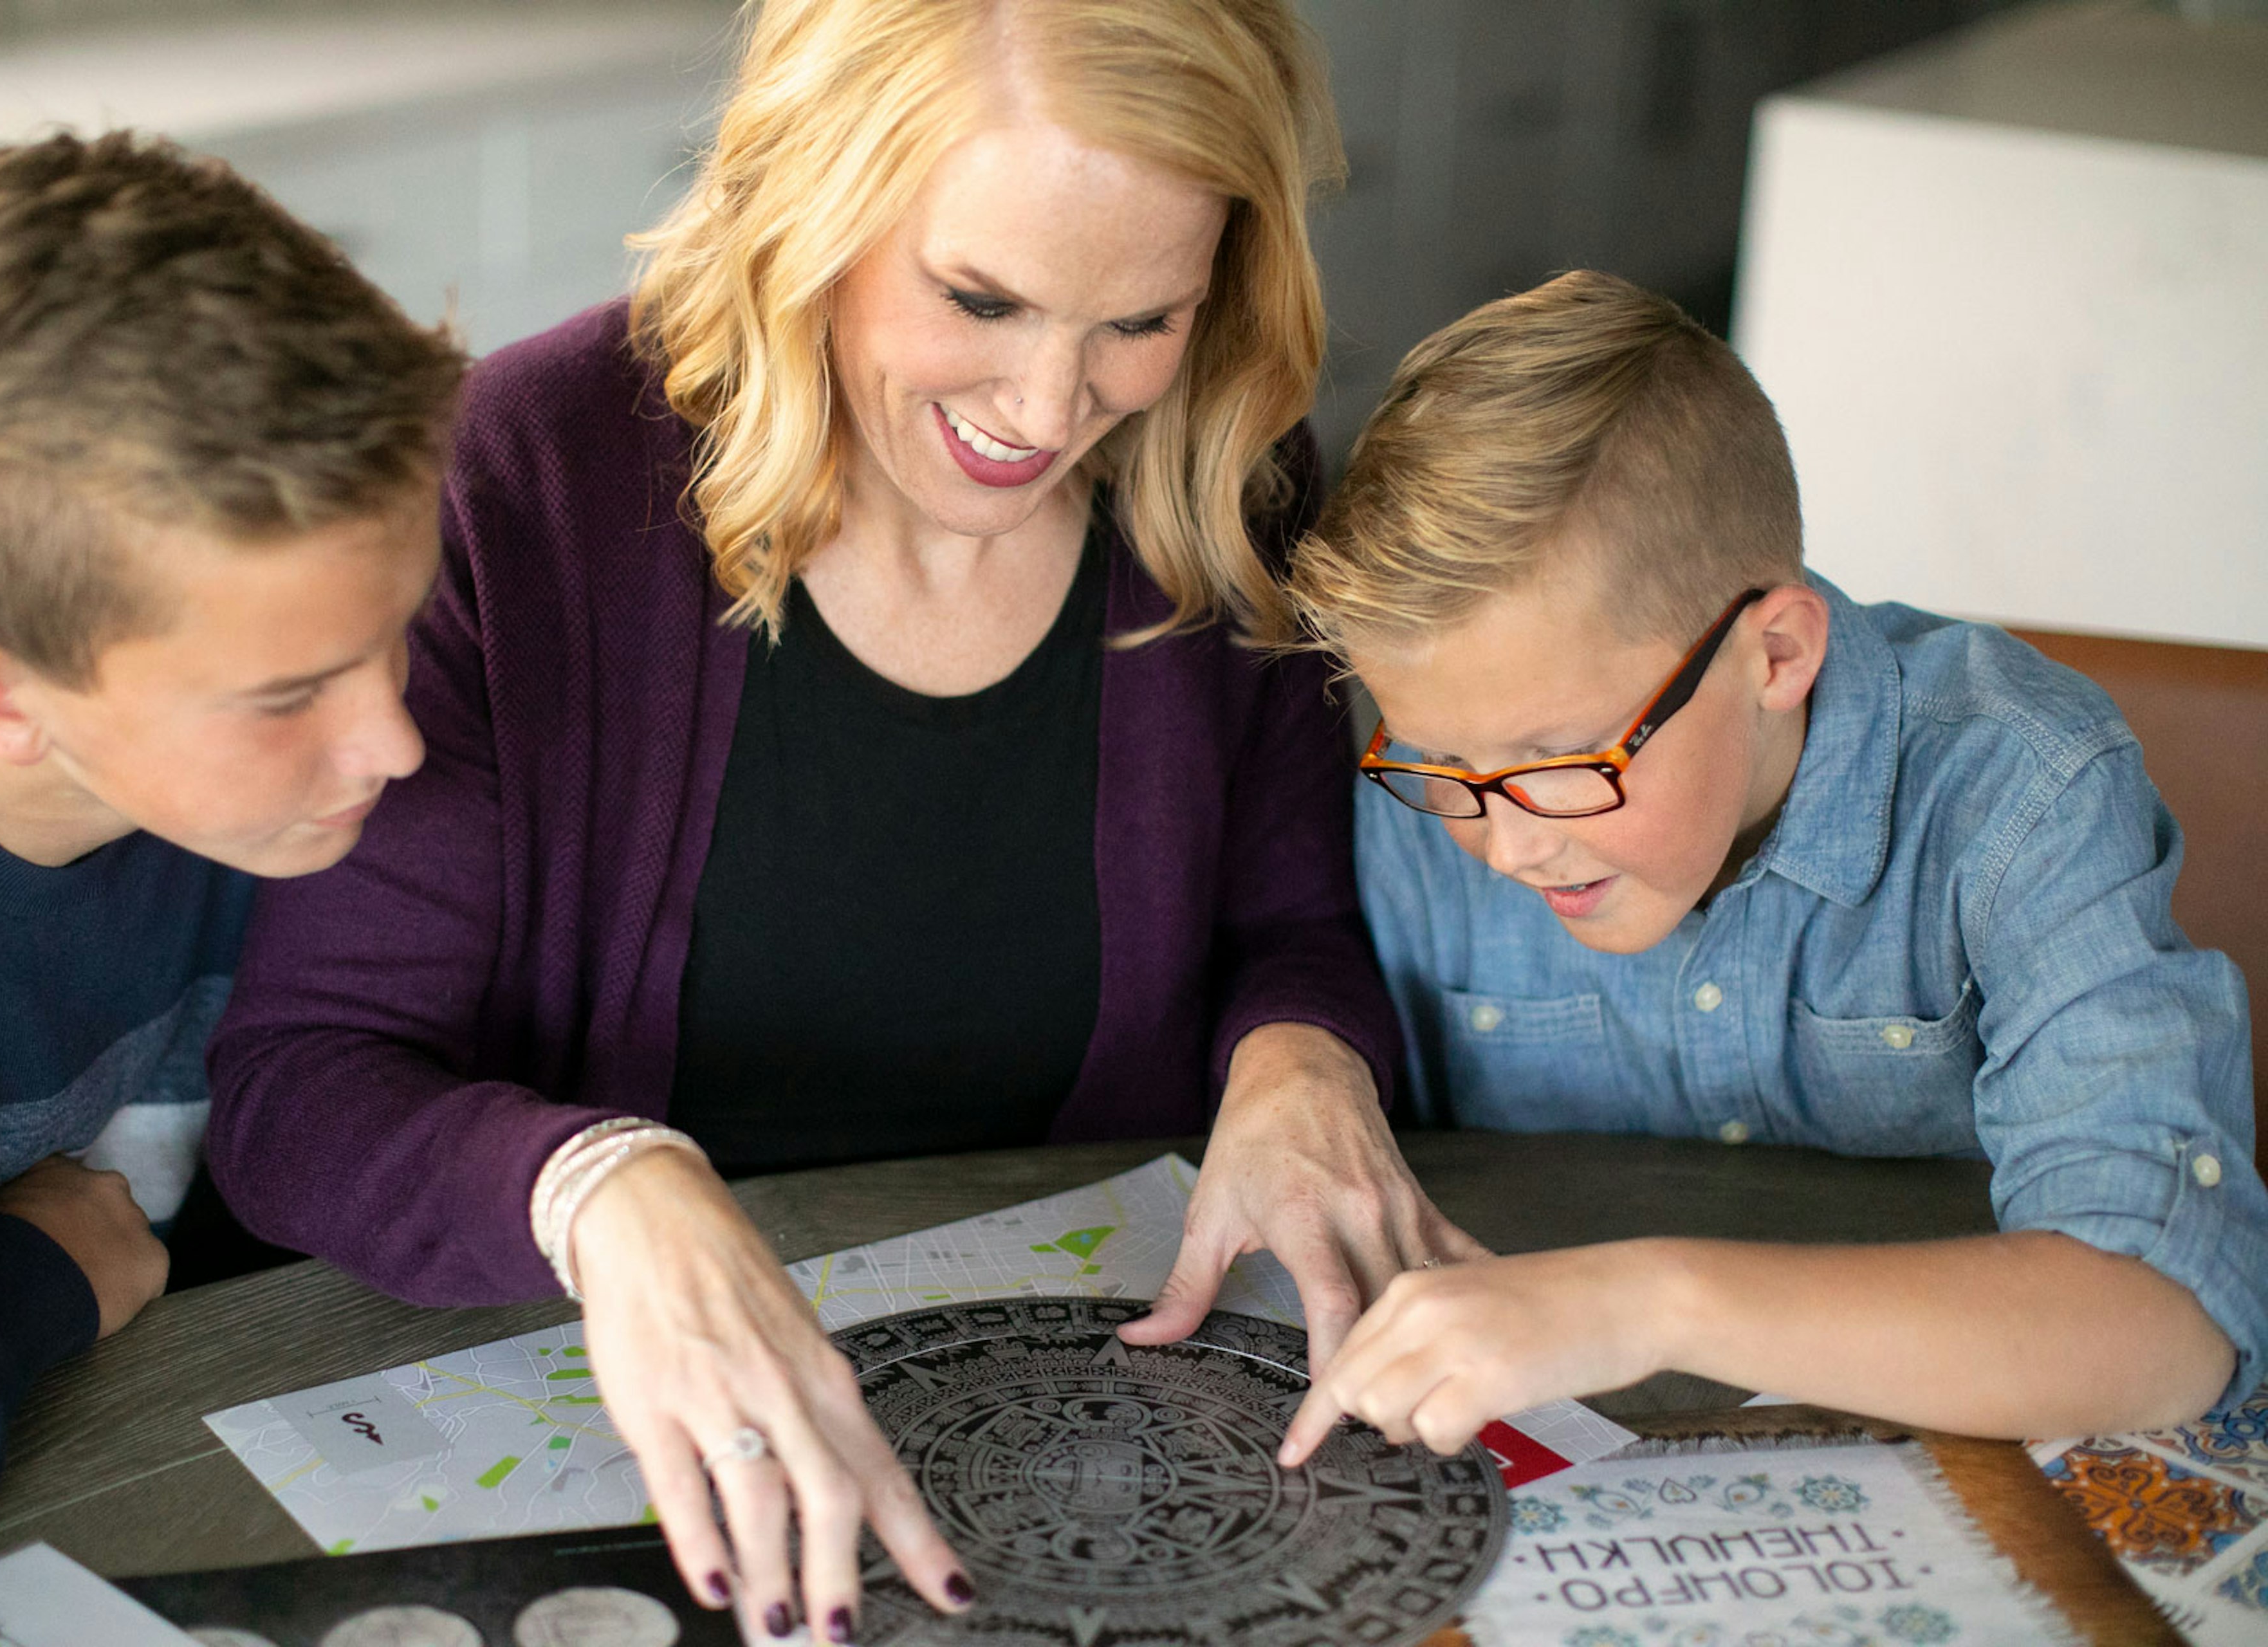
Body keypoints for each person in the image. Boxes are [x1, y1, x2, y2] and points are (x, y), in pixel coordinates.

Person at [206, 0, 1465, 1637]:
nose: (1049, 401)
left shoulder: (1222, 467)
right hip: (584, 1425)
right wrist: (599, 1183)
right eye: (980, 297)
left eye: (1139, 318)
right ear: (809, 199)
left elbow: (1288, 928)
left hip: (1081, 1435)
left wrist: (1303, 1056)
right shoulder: (519, 482)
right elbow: (301, 1086)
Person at [1276, 270, 2268, 1472]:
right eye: (1443, 764)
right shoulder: (1442, 809)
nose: (1508, 843)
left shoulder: (2023, 795)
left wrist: (1650, 1304)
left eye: (1561, 761)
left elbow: (2168, 1324)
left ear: (1777, 653)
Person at [0, 131, 461, 1624]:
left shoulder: (266, 785)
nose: (397, 742)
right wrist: (28, 1273)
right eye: (289, 692)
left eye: (399, 628)